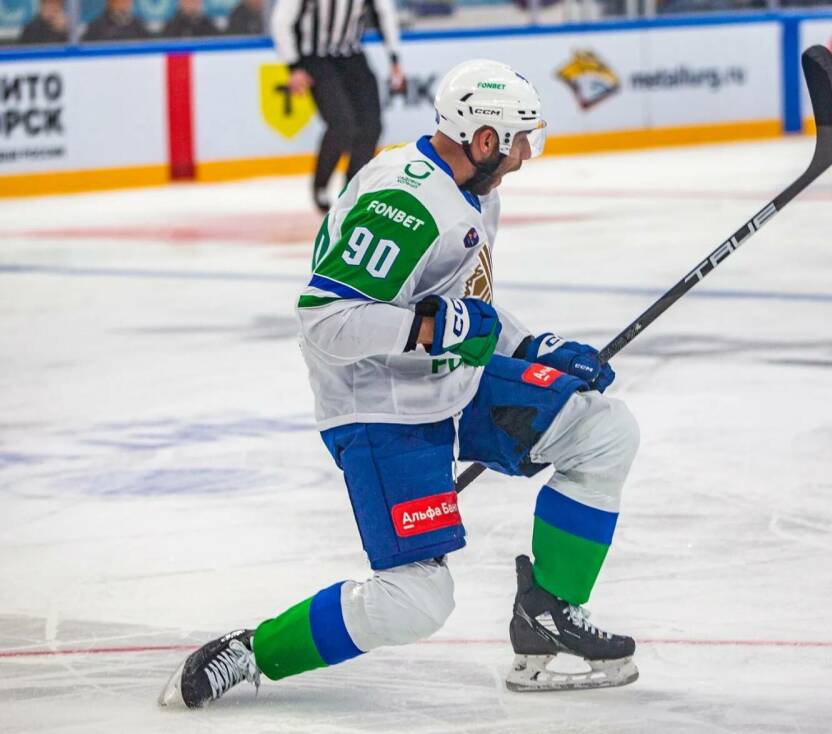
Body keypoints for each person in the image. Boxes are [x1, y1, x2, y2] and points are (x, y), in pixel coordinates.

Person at [158, 59, 641, 709]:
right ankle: (254, 651)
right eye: (522, 139)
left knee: (602, 431)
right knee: (416, 599)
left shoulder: (474, 189)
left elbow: (461, 305)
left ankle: (548, 616)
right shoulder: (405, 204)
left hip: (453, 383)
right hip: (380, 408)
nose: (528, 154)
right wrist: (430, 329)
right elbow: (326, 321)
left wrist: (531, 346)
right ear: (486, 139)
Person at [270, 0, 406, 213]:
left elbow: (385, 14)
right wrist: (294, 65)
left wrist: (395, 58)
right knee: (341, 125)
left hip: (352, 56)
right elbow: (281, 21)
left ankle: (353, 188)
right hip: (315, 58)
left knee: (372, 126)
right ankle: (321, 185)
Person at [80, 0, 151, 41]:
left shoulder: (138, 24)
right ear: (110, 2)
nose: (125, 3)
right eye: (121, 1)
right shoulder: (96, 26)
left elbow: (149, 44)